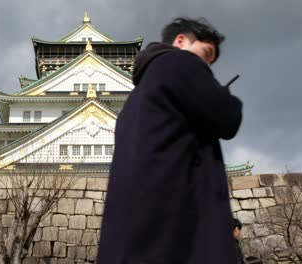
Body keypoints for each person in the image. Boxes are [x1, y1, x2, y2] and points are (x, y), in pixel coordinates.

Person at [97, 17, 243, 263]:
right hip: (177, 213)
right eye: (206, 54)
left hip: (136, 223)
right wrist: (224, 96)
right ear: (181, 40)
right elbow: (227, 118)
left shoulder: (136, 97)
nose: (207, 67)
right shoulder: (179, 61)